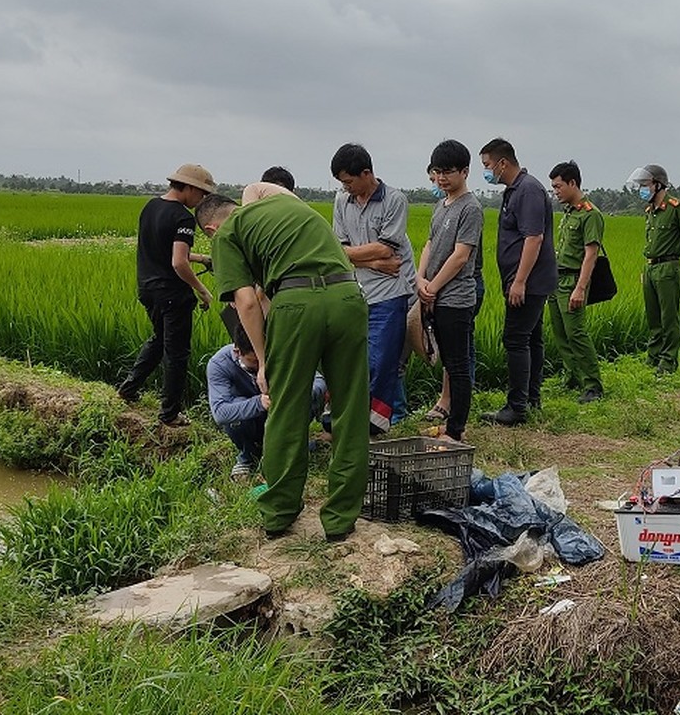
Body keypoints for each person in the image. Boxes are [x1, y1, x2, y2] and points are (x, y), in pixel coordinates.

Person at [197, 187, 369, 542]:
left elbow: (246, 303)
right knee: (351, 409)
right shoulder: (287, 205)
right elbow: (263, 190)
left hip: (296, 305)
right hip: (349, 297)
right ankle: (340, 520)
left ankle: (278, 513)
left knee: (286, 407)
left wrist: (264, 361)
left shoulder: (226, 235)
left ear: (210, 230)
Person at [116, 163, 215, 426]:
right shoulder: (183, 217)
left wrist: (203, 258)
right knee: (177, 353)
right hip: (172, 295)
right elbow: (178, 263)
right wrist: (202, 289)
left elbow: (165, 250)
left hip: (147, 289)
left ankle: (128, 388)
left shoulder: (150, 206)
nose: (202, 200)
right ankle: (170, 414)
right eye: (202, 194)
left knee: (160, 340)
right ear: (190, 188)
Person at [330, 143, 416, 435]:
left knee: (382, 362)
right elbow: (337, 250)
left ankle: (376, 425)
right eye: (343, 183)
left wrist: (356, 255)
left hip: (389, 295)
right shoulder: (342, 201)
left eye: (349, 181)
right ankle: (344, 419)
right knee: (351, 360)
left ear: (366, 173)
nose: (347, 188)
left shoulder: (394, 200)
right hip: (355, 292)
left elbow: (386, 247)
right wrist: (375, 264)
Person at [479, 137, 556, 426]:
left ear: (503, 163)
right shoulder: (514, 191)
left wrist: (520, 281)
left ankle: (516, 407)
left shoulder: (528, 190)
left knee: (515, 338)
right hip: (526, 280)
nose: (486, 172)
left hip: (529, 281)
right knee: (531, 339)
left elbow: (533, 238)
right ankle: (530, 399)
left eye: (487, 165)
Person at [415, 140, 482, 442]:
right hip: (434, 294)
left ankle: (455, 430)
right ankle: (450, 425)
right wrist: (420, 279)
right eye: (436, 172)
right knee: (447, 361)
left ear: (465, 172)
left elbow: (461, 255)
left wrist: (433, 287)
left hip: (455, 298)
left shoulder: (471, 208)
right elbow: (429, 245)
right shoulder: (439, 206)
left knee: (457, 366)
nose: (441, 178)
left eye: (448, 172)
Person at [207, 329, 328, 481]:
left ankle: (289, 448)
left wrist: (295, 395)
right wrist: (259, 402)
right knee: (235, 410)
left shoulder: (278, 353)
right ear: (237, 352)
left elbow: (318, 381)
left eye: (263, 359)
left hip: (283, 412)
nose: (260, 366)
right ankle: (249, 456)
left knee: (312, 391)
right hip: (252, 418)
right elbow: (220, 412)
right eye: (254, 361)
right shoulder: (220, 364)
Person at [630, 164, 680, 375]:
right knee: (653, 318)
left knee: (669, 318)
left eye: (645, 185)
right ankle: (654, 357)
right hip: (651, 268)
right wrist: (646, 269)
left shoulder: (677, 208)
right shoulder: (650, 211)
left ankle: (668, 362)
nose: (642, 189)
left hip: (669, 267)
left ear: (658, 185)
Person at [547, 160, 605, 404]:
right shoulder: (569, 211)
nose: (556, 191)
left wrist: (580, 288)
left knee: (577, 334)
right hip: (556, 279)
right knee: (561, 334)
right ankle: (572, 377)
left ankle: (593, 385)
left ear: (572, 183)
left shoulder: (590, 214)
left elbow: (590, 254)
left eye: (558, 186)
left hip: (573, 280)